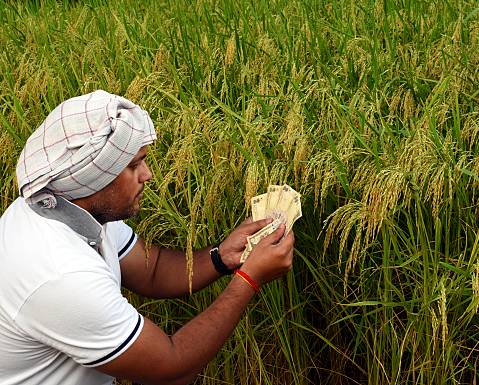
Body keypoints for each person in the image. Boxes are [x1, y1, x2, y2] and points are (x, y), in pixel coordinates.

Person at [0, 90, 295, 385]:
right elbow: (172, 370)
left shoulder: (72, 205)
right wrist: (249, 280)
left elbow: (152, 271)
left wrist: (222, 256)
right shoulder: (60, 273)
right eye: (133, 166)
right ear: (94, 178)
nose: (148, 174)